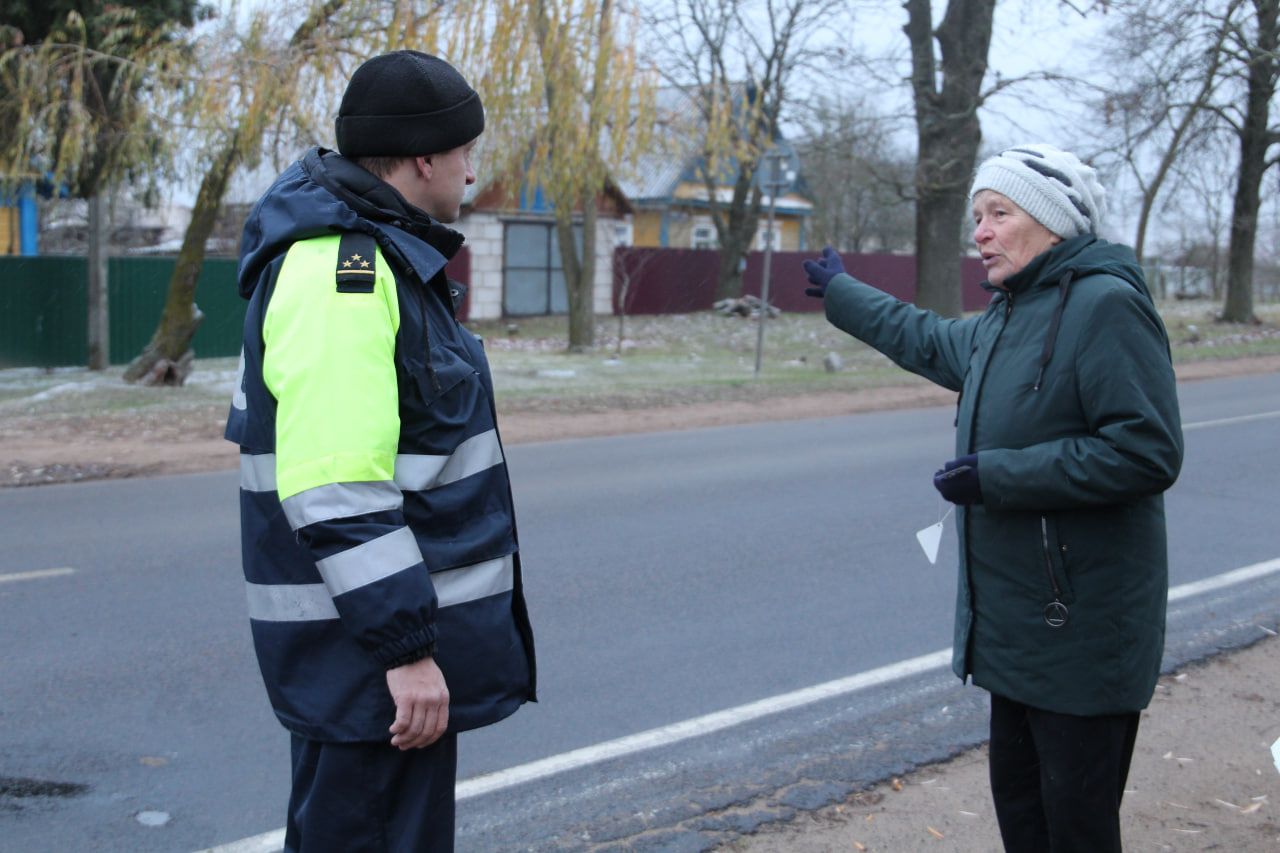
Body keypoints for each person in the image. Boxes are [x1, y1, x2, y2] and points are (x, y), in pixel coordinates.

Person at [802, 143, 1183, 852]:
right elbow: (927, 337)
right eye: (977, 216)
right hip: (1017, 631)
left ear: (1051, 222)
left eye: (997, 214)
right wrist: (844, 293)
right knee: (1025, 819)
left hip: (1084, 634)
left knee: (1075, 830)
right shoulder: (1011, 316)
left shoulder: (1106, 306)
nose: (978, 232)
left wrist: (998, 476)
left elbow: (1146, 451)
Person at [225, 50, 536, 851]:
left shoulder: (377, 258)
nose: (472, 173)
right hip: (368, 665)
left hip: (365, 661)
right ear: (425, 157)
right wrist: (406, 650)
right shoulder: (344, 271)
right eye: (466, 152)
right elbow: (337, 487)